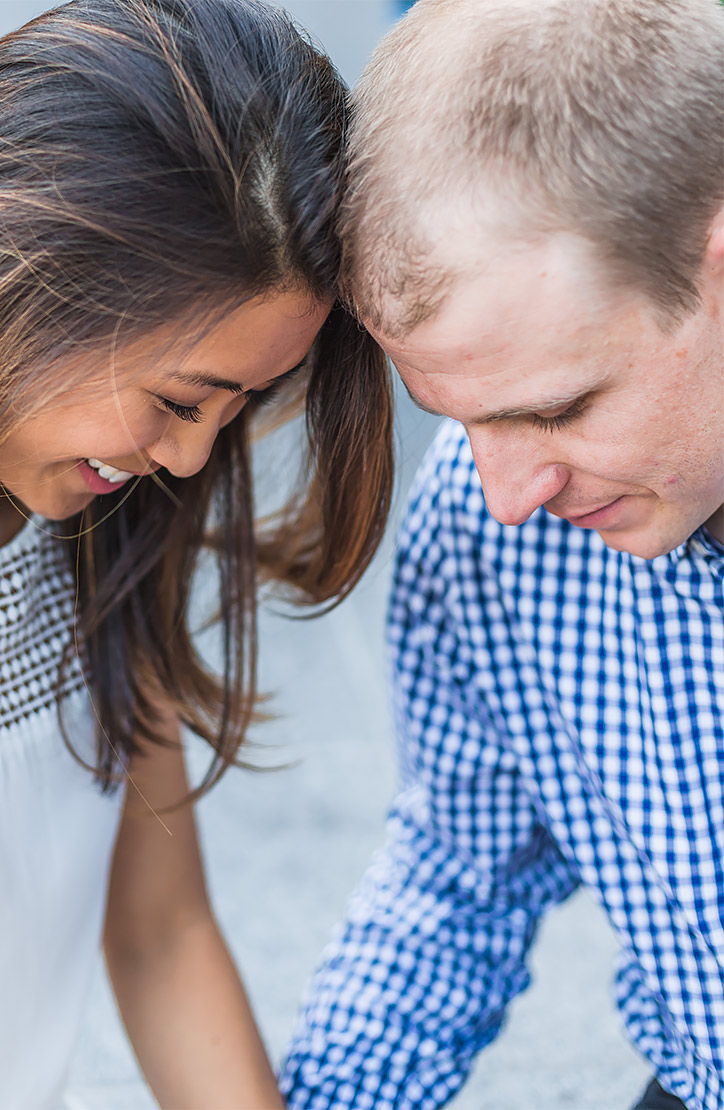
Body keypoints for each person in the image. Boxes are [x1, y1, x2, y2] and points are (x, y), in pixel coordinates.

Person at [279, 2, 724, 1108]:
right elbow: (459, 875)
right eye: (459, 421)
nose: (505, 494)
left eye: (557, 408)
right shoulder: (480, 534)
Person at [0, 1, 394, 1105]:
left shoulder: (106, 541)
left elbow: (162, 935)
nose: (190, 457)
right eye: (179, 398)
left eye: (241, 404)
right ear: (29, 276)